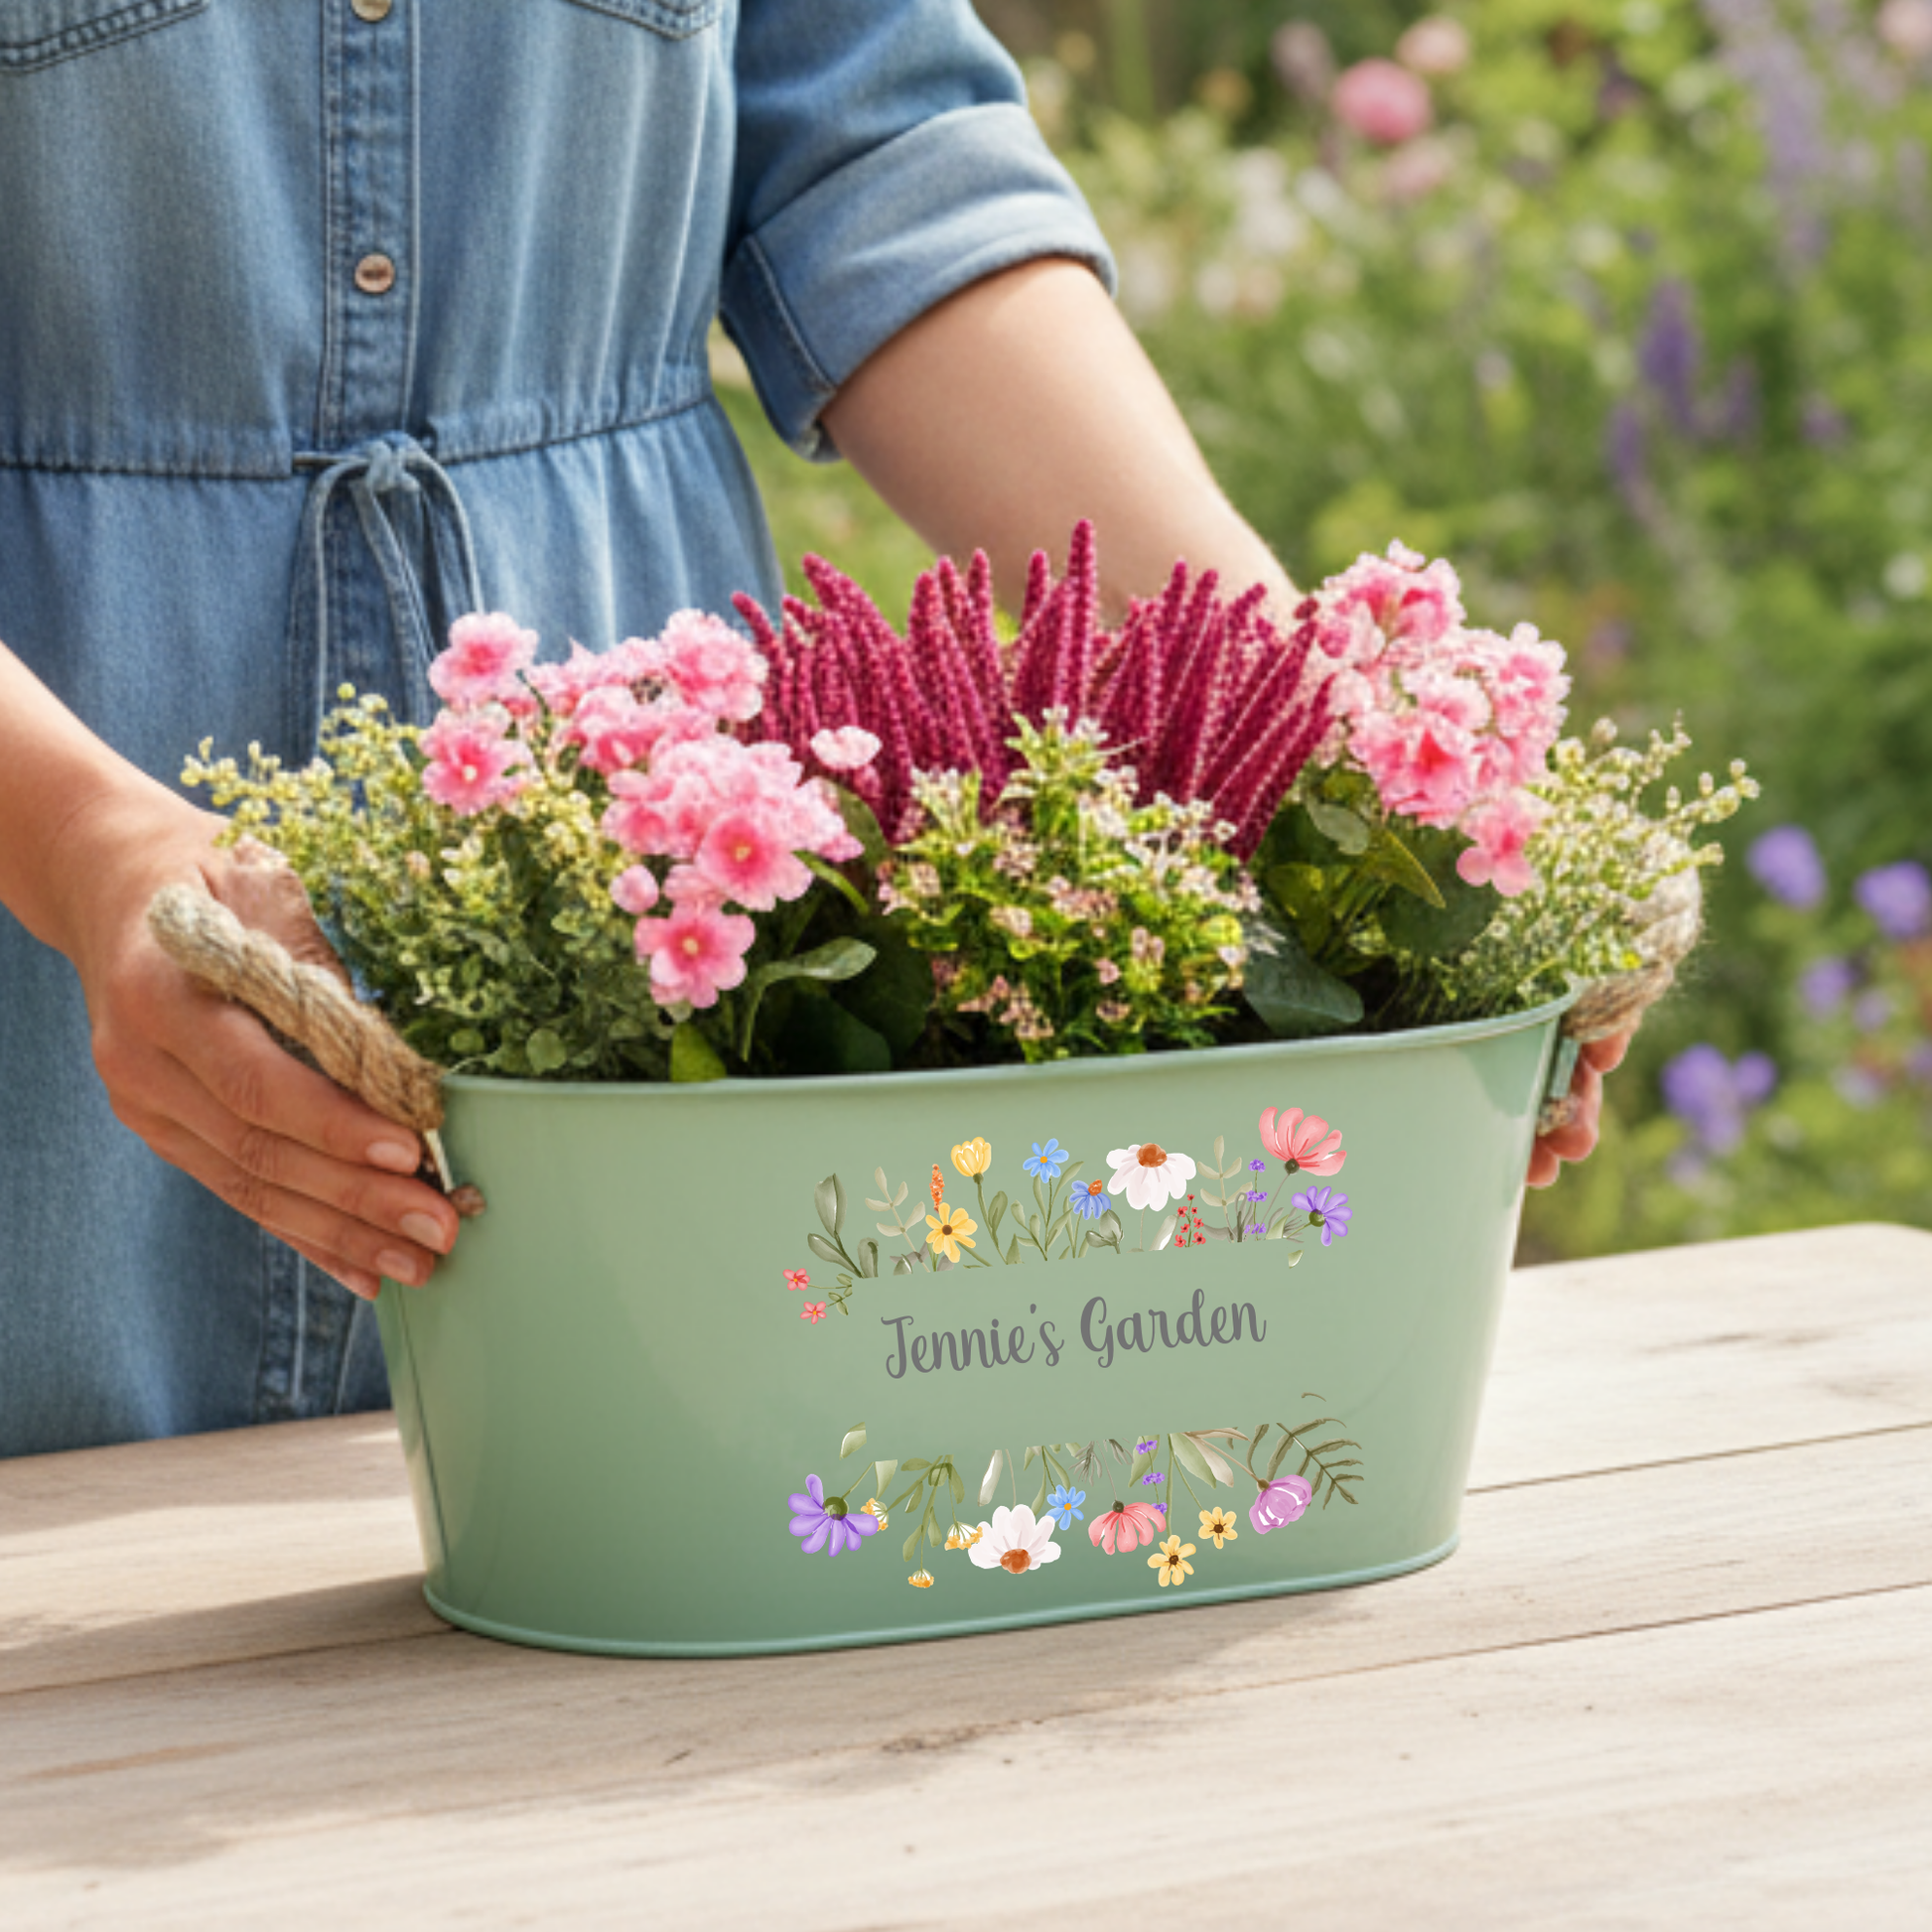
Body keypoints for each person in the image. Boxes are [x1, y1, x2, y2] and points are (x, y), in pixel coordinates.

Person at [0, 1, 1615, 1461]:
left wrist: (1298, 718)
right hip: (45, 918)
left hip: (649, 931)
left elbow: (874, 155)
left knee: (693, 1608)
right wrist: (88, 844)